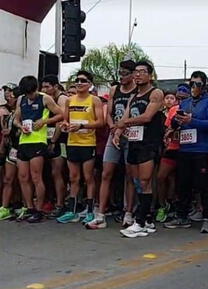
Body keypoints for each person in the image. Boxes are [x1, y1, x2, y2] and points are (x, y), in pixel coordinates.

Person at [113, 60, 164, 238]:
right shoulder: (134, 97)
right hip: (134, 142)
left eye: (142, 71)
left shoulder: (156, 93)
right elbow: (126, 116)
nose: (138, 74)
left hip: (149, 142)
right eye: (136, 71)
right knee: (136, 181)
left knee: (145, 181)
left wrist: (124, 123)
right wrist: (118, 133)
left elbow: (147, 117)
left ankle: (140, 221)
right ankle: (147, 218)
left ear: (150, 75)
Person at [164, 71, 208, 233]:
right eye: (192, 84)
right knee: (183, 184)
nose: (194, 87)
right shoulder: (185, 102)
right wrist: (173, 126)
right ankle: (182, 215)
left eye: (198, 84)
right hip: (185, 147)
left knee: (204, 185)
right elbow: (176, 119)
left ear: (203, 86)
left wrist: (192, 120)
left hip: (202, 149)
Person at [86, 60, 137, 229]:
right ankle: (100, 214)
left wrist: (120, 129)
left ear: (133, 74)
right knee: (106, 173)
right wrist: (112, 128)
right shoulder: (115, 89)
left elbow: (130, 113)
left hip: (131, 134)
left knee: (130, 175)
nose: (121, 77)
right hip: (114, 133)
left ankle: (129, 212)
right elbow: (109, 112)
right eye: (120, 73)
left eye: (125, 74)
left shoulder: (137, 90)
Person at [57, 70, 104, 224]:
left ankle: (90, 210)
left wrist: (82, 125)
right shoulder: (70, 100)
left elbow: (100, 122)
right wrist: (65, 126)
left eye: (83, 81)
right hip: (72, 142)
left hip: (88, 142)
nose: (79, 83)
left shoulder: (94, 100)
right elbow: (65, 120)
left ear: (90, 84)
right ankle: (72, 210)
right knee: (73, 177)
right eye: (77, 80)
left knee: (88, 177)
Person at [13, 76, 63, 223]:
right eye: (27, 93)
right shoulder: (21, 99)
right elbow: (16, 118)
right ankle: (29, 207)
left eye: (31, 93)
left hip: (38, 141)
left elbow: (61, 114)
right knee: (23, 177)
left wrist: (44, 121)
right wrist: (19, 126)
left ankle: (39, 209)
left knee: (36, 177)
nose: (30, 96)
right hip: (24, 140)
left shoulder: (45, 98)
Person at [155, 84, 191, 223]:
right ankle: (163, 206)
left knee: (179, 181)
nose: (180, 99)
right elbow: (167, 128)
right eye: (179, 97)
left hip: (187, 149)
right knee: (161, 177)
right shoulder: (173, 110)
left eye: (184, 96)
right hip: (172, 148)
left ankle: (178, 205)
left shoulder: (194, 108)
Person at [41, 74, 69, 218]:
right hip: (46, 138)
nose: (44, 89)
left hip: (60, 140)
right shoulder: (46, 99)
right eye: (43, 86)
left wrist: (53, 141)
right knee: (47, 172)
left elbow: (61, 120)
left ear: (56, 86)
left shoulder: (62, 98)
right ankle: (49, 200)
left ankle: (60, 204)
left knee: (57, 172)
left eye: (47, 86)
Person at [0, 87, 22, 220]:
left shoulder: (24, 112)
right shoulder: (10, 113)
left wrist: (13, 132)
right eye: (8, 96)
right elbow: (6, 131)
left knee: (23, 179)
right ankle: (5, 207)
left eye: (12, 96)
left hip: (23, 149)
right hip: (11, 149)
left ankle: (23, 205)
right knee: (8, 179)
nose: (9, 98)